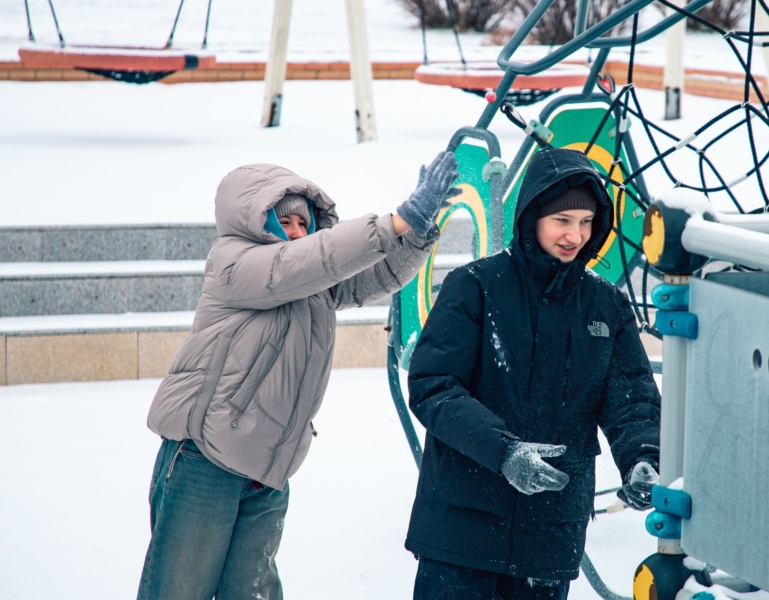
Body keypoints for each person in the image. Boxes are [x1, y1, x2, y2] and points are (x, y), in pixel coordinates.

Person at [137, 151, 460, 600]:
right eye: (283, 221)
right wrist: (396, 221)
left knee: (251, 593)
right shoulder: (235, 262)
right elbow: (304, 263)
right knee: (178, 591)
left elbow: (373, 275)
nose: (295, 232)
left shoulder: (312, 282)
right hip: (205, 458)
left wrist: (417, 234)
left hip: (268, 466)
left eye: (303, 224)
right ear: (254, 221)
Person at [403, 147, 662, 600]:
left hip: (550, 531)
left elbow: (630, 398)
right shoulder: (476, 286)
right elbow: (433, 386)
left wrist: (643, 456)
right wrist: (503, 452)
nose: (575, 235)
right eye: (562, 220)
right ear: (533, 217)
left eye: (586, 222)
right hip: (462, 528)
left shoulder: (605, 305)